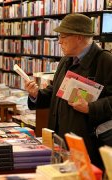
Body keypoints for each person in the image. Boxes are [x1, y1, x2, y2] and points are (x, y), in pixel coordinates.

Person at [24, 13, 112, 169]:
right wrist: (36, 95)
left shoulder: (105, 61)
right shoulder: (66, 59)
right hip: (61, 141)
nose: (59, 41)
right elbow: (56, 91)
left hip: (88, 146)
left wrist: (91, 108)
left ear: (79, 37)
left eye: (63, 36)